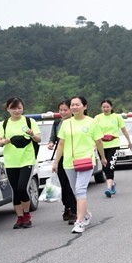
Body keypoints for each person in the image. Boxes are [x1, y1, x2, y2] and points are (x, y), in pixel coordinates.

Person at [52, 96, 108, 235]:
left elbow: (99, 142)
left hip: (86, 160)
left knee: (80, 189)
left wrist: (102, 157)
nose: (74, 107)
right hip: (68, 162)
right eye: (72, 105)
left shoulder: (91, 122)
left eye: (77, 105)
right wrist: (55, 162)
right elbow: (61, 144)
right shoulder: (66, 123)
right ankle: (86, 214)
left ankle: (80, 221)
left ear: (85, 106)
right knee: (76, 191)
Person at [0, 97, 41, 229]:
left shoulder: (29, 121)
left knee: (22, 187)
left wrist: (32, 134)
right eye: (13, 108)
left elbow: (38, 138)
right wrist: (3, 141)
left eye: (19, 108)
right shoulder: (3, 124)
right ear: (8, 109)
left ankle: (27, 215)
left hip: (26, 160)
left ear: (23, 108)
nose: (17, 111)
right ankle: (19, 218)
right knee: (15, 190)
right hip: (11, 162)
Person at [94, 99, 132, 198]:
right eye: (104, 107)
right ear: (101, 108)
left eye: (107, 107)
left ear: (111, 107)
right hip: (101, 145)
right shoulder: (97, 118)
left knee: (110, 165)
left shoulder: (117, 117)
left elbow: (124, 130)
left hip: (114, 144)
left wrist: (129, 141)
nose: (106, 109)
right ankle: (112, 184)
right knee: (104, 166)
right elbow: (93, 132)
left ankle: (109, 188)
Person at [49, 99, 78, 225]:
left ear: (71, 110)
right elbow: (53, 139)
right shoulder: (57, 124)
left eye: (65, 110)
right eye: (60, 110)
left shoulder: (77, 122)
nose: (62, 112)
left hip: (75, 157)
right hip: (61, 158)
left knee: (72, 186)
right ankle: (67, 207)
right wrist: (50, 143)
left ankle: (74, 211)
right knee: (64, 185)